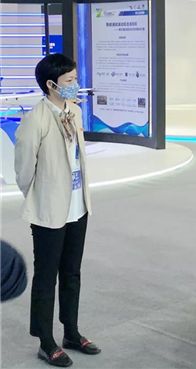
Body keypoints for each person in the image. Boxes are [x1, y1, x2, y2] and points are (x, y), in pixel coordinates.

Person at [14, 53, 100, 367]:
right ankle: (45, 340)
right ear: (51, 85)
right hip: (49, 209)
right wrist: (40, 194)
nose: (75, 84)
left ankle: (71, 332)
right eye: (69, 81)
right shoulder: (35, 120)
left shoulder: (74, 111)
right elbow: (24, 169)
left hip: (77, 205)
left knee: (72, 272)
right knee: (46, 275)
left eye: (75, 79)